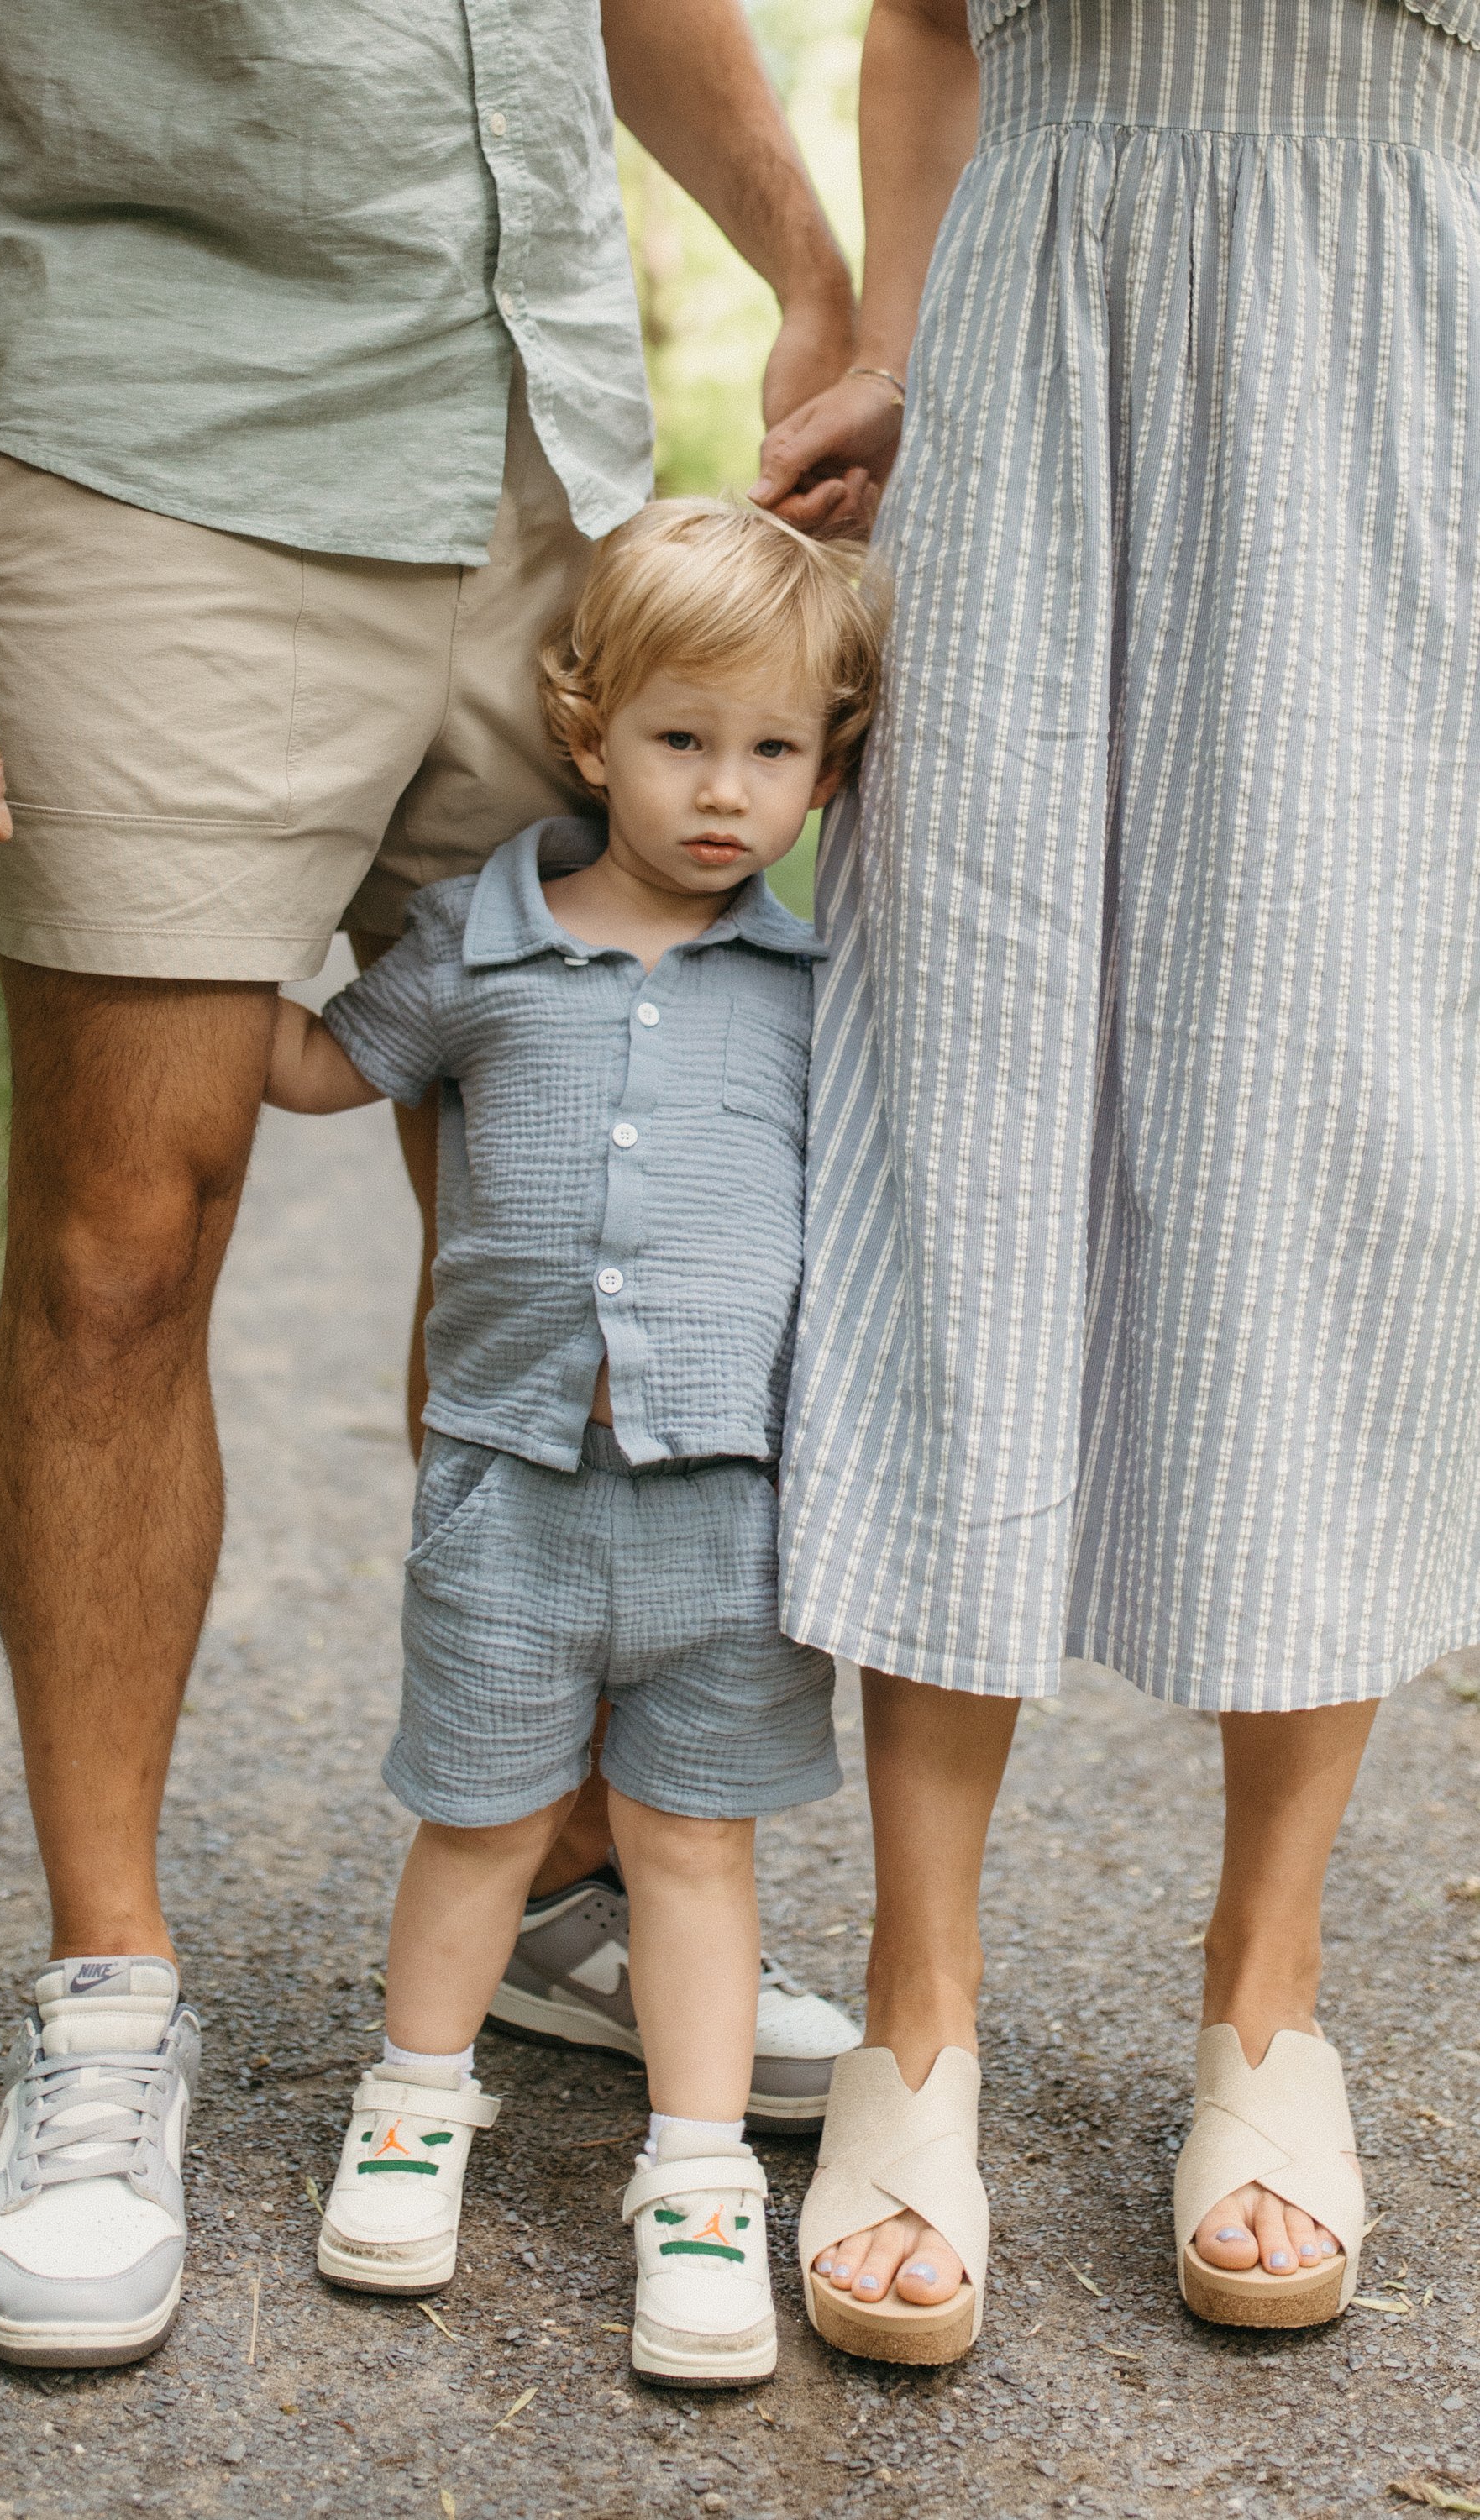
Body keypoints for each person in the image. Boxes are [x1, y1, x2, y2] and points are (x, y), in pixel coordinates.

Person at [0, 0, 866, 2370]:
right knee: (124, 1233)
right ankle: (106, 2009)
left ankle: (570, 1887)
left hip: (540, 447)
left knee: (557, 1174)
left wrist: (806, 260)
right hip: (153, 435)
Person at [753, 0, 1480, 2360]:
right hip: (1030, 387)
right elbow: (926, 27)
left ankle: (1262, 2003)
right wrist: (888, 338)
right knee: (957, 1127)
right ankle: (917, 2007)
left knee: (1334, 1151)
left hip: (1407, 385)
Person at [261, 500, 885, 2387]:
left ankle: (694, 2179)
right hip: (510, 1492)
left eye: (772, 751)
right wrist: (204, 940)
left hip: (723, 1513)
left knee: (692, 1847)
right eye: (682, 739)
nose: (723, 791)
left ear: (824, 769)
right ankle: (413, 2105)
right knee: (481, 1820)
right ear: (584, 721)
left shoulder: (815, 995)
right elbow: (312, 1067)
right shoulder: (476, 947)